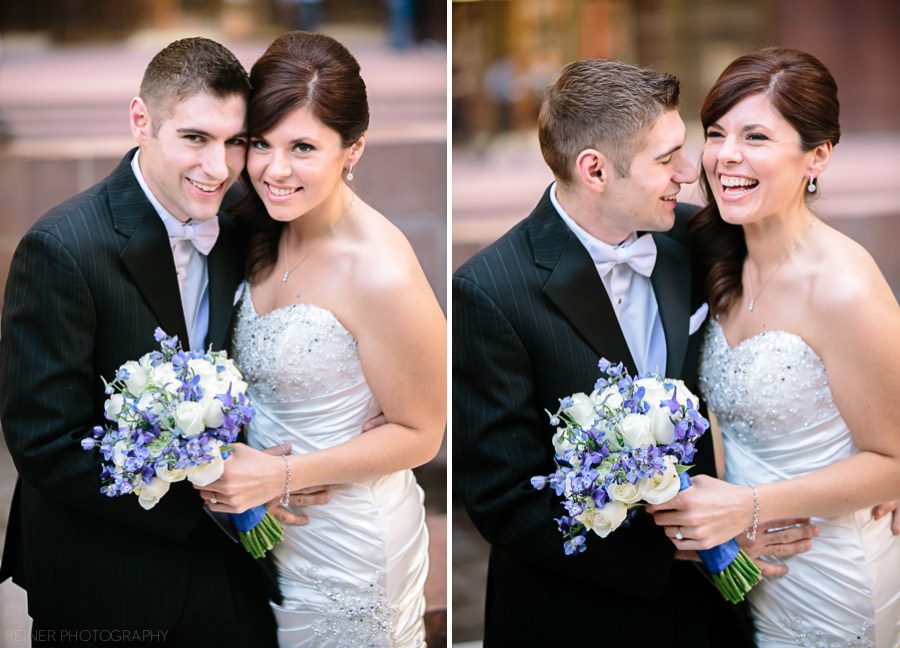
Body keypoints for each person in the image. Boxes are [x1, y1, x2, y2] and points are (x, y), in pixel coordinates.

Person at [0, 38, 304, 645]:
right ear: (141, 120)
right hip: (104, 579)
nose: (218, 167)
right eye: (195, 138)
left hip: (229, 577)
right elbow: (44, 442)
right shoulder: (62, 249)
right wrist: (217, 494)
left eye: (235, 142)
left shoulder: (245, 213)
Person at [452, 59, 764, 646]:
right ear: (594, 169)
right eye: (665, 159)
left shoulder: (699, 240)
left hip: (708, 616)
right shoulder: (489, 292)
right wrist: (685, 544)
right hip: (573, 615)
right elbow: (502, 500)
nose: (687, 175)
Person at [195, 31, 446, 647]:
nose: (274, 170)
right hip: (268, 532)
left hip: (351, 548)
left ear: (352, 148)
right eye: (261, 145)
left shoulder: (379, 271)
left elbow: (422, 435)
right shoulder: (255, 226)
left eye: (303, 147)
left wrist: (277, 476)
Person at [647, 48, 900, 647]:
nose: (726, 155)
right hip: (749, 573)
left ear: (818, 156)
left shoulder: (840, 285)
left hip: (835, 578)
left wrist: (748, 505)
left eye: (756, 136)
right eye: (716, 133)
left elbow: (893, 459)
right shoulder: (713, 252)